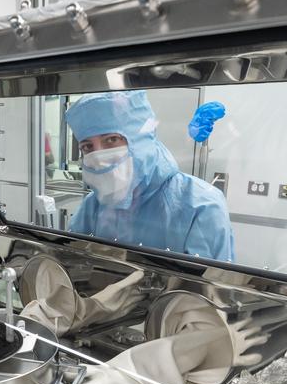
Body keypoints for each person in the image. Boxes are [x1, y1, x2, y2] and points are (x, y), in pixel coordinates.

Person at [66, 91, 235, 261]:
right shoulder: (93, 205)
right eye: (88, 147)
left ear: (139, 139)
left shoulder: (201, 205)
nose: (99, 157)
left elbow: (210, 285)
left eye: (111, 140)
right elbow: (74, 264)